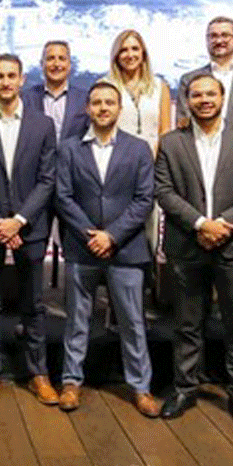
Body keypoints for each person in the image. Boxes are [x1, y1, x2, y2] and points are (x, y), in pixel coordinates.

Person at [154, 74, 233, 429]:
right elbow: (164, 191)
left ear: (222, 97)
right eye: (197, 95)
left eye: (211, 94)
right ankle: (185, 389)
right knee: (187, 323)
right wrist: (201, 224)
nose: (204, 100)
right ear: (187, 100)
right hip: (188, 244)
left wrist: (223, 225)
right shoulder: (171, 142)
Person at [54, 81, 159, 417]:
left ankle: (141, 387)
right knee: (76, 320)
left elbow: (144, 199)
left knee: (132, 322)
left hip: (125, 249)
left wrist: (111, 236)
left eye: (109, 102)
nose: (102, 108)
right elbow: (63, 197)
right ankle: (71, 382)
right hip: (81, 248)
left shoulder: (139, 148)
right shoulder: (69, 149)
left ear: (119, 108)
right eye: (96, 102)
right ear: (87, 108)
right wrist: (91, 235)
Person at [0, 54, 58, 406]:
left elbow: (47, 179)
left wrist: (18, 220)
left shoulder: (43, 124)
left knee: (32, 304)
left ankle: (38, 373)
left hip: (29, 226)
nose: (5, 82)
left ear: (22, 80)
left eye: (11, 76)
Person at [103, 30, 171, 152]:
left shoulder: (160, 86)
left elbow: (165, 132)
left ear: (143, 53)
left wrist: (155, 157)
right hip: (116, 157)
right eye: (123, 50)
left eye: (135, 49)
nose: (130, 55)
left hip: (153, 158)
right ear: (116, 55)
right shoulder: (105, 85)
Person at [21, 40, 88, 140]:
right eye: (50, 58)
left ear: (69, 65)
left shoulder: (85, 99)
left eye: (62, 59)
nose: (56, 64)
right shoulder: (25, 98)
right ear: (42, 64)